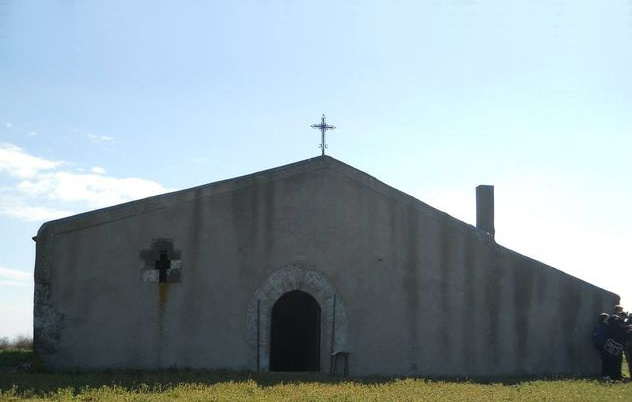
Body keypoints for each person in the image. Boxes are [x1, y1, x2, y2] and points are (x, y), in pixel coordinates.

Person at [602, 312, 626, 380]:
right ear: (620, 316)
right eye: (623, 316)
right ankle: (613, 376)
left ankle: (615, 376)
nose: (623, 318)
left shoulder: (620, 323)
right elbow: (615, 333)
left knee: (616, 361)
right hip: (613, 344)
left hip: (617, 345)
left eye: (624, 317)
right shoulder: (615, 323)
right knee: (613, 361)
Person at [592, 313, 610, 377]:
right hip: (605, 345)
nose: (608, 319)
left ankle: (604, 375)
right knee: (607, 361)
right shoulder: (606, 326)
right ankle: (606, 375)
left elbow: (594, 335)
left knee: (604, 361)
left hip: (600, 345)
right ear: (604, 319)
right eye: (607, 318)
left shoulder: (598, 326)